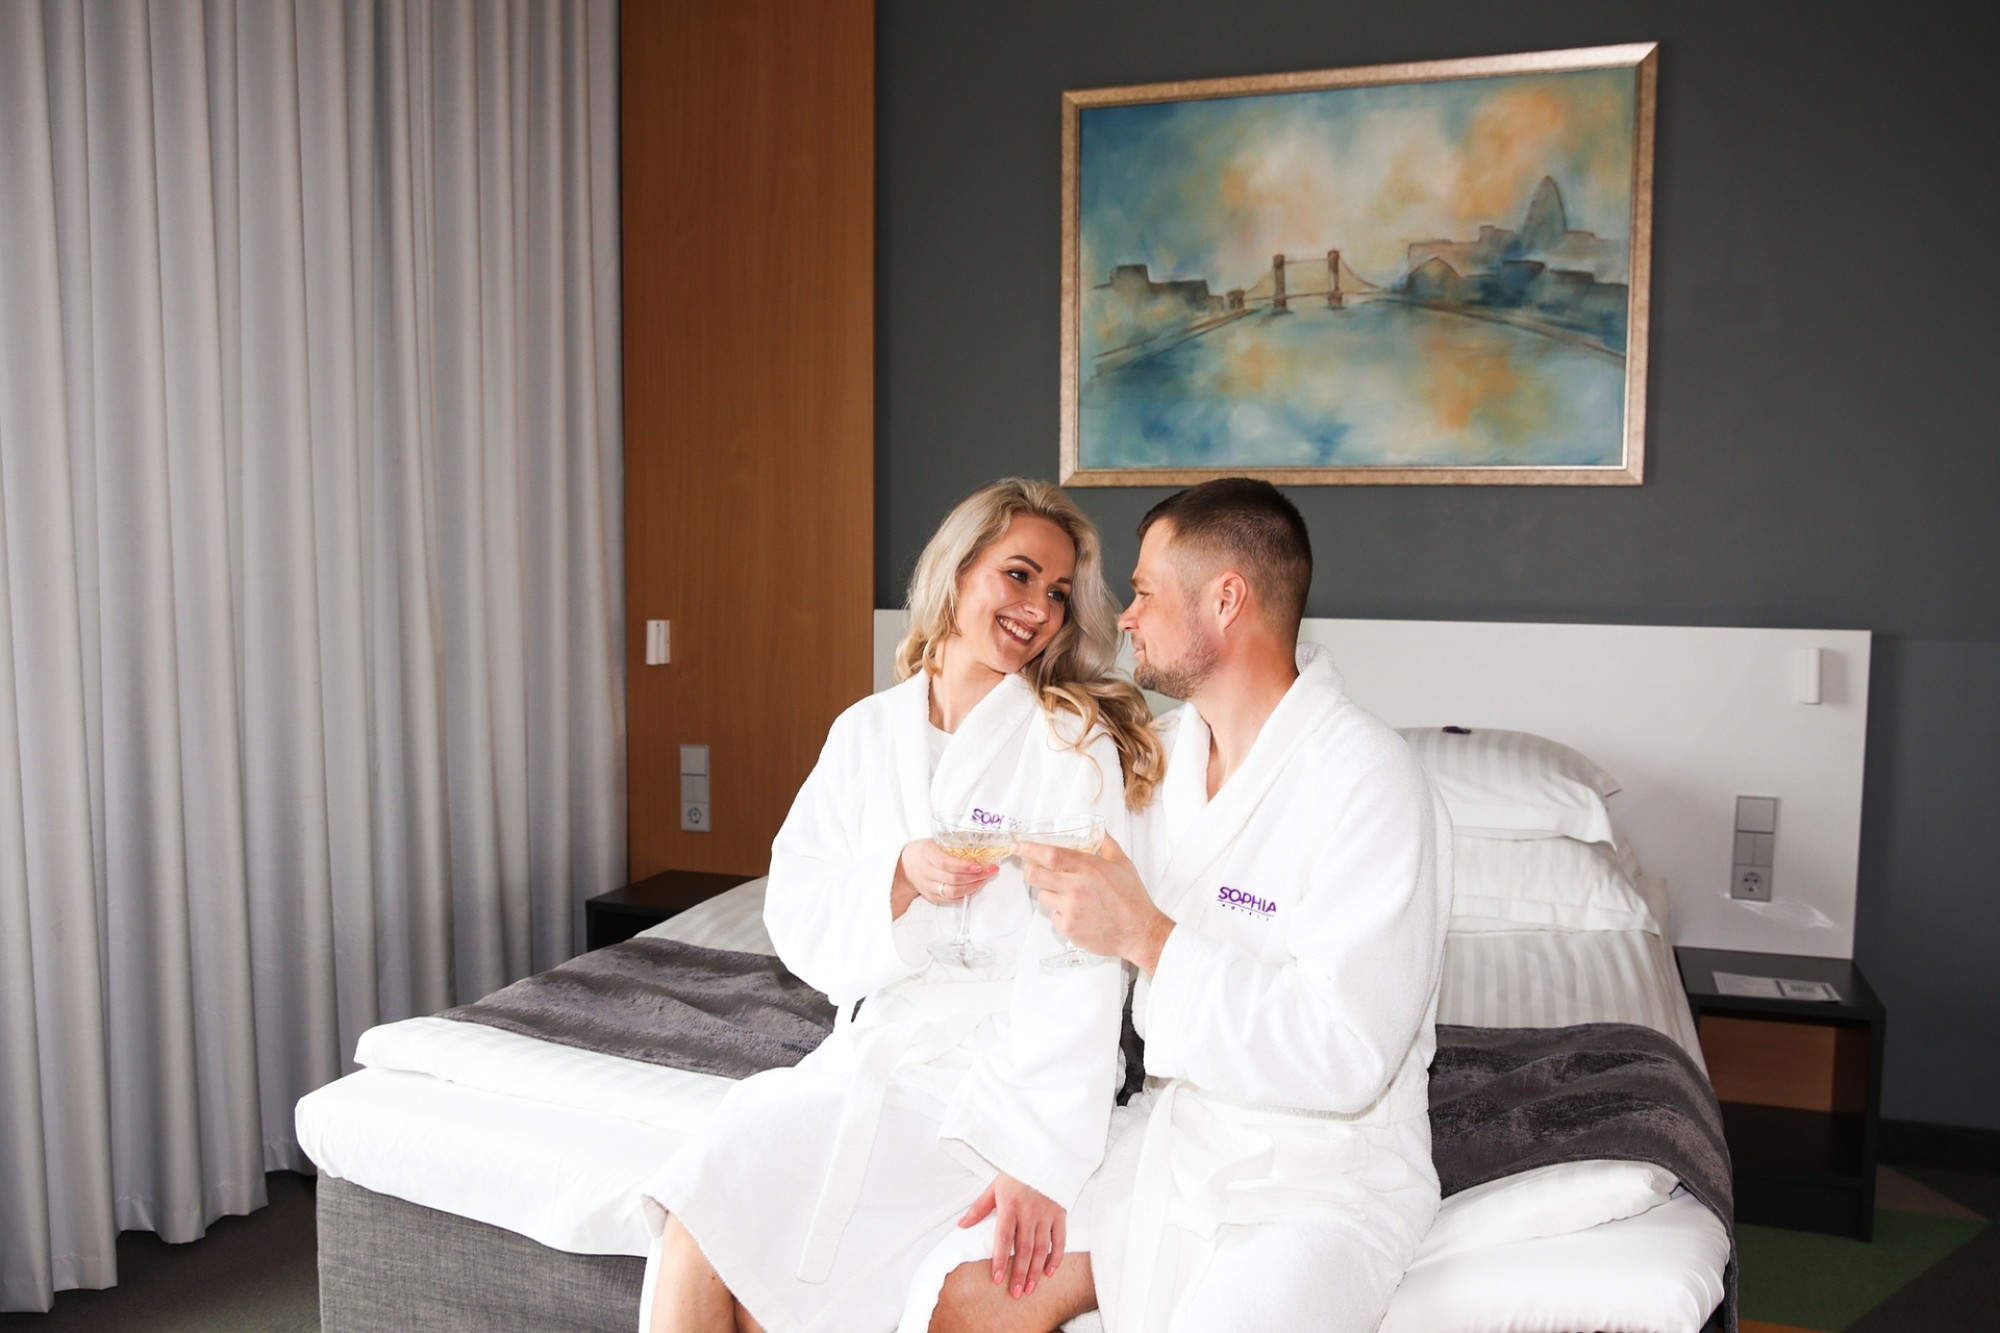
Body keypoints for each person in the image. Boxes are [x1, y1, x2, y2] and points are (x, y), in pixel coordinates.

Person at [636, 478, 1164, 1333]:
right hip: (873, 1056)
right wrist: (898, 876)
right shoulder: (865, 732)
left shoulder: (1071, 744)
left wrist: (1036, 1155)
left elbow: (1084, 968)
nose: (1039, 609)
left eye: (1059, 593)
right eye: (1019, 575)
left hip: (988, 1091)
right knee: (711, 1189)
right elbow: (797, 906)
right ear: (956, 571)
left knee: (730, 1218)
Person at [930, 477, 1453, 1333]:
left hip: (1317, 1180)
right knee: (958, 1296)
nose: (1125, 617)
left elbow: (1348, 1050)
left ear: (1226, 598)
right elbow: (1067, 966)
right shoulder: (1156, 759)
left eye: (1143, 592)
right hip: (1168, 1144)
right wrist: (1037, 1147)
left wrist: (1153, 938)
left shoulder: (1370, 781)